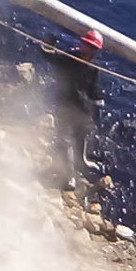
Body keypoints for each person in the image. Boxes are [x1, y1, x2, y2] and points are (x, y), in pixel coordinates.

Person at [44, 28, 105, 182]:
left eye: (89, 46)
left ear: (94, 50)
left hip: (82, 108)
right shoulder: (69, 58)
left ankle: (81, 161)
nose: (84, 47)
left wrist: (98, 103)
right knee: (63, 139)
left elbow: (93, 89)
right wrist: (47, 46)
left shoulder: (94, 68)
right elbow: (51, 57)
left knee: (81, 136)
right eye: (85, 43)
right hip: (64, 106)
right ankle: (68, 174)